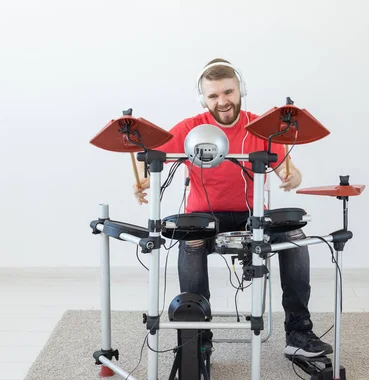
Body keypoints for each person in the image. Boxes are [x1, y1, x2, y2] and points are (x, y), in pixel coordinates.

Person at [132, 58, 333, 358]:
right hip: (204, 221)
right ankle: (197, 339)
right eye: (213, 96)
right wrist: (142, 182)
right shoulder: (190, 129)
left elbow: (287, 170)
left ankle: (298, 333)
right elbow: (148, 158)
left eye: (228, 92)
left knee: (295, 241)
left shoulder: (261, 127)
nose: (222, 102)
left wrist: (293, 176)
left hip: (254, 218)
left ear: (241, 91)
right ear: (204, 99)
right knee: (191, 240)